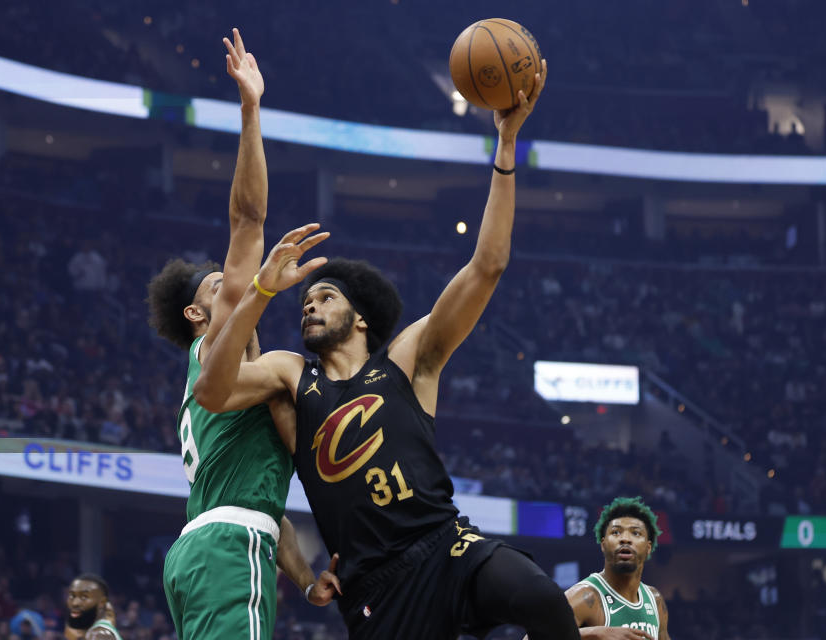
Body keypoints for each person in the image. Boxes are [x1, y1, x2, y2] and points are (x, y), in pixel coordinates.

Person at [193, 63, 579, 640]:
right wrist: (262, 290)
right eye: (304, 301)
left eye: (324, 297)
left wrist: (505, 145)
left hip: (448, 545)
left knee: (539, 596)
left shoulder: (407, 360)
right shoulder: (290, 376)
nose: (309, 306)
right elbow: (213, 391)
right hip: (376, 588)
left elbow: (487, 265)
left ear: (361, 317)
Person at [145, 29, 339, 640]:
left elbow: (264, 503)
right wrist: (251, 110)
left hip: (206, 549)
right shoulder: (217, 341)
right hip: (226, 549)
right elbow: (248, 220)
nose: (232, 286)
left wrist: (306, 580)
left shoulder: (236, 387)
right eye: (216, 290)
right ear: (197, 317)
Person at [564, 497, 670, 640]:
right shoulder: (585, 596)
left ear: (648, 548)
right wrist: (595, 633)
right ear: (603, 544)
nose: (625, 539)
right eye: (616, 532)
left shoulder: (655, 600)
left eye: (636, 533)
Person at [64, 574, 119, 640]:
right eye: (72, 596)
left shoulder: (99, 634)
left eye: (84, 597)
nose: (75, 603)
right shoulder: (93, 631)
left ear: (102, 602)